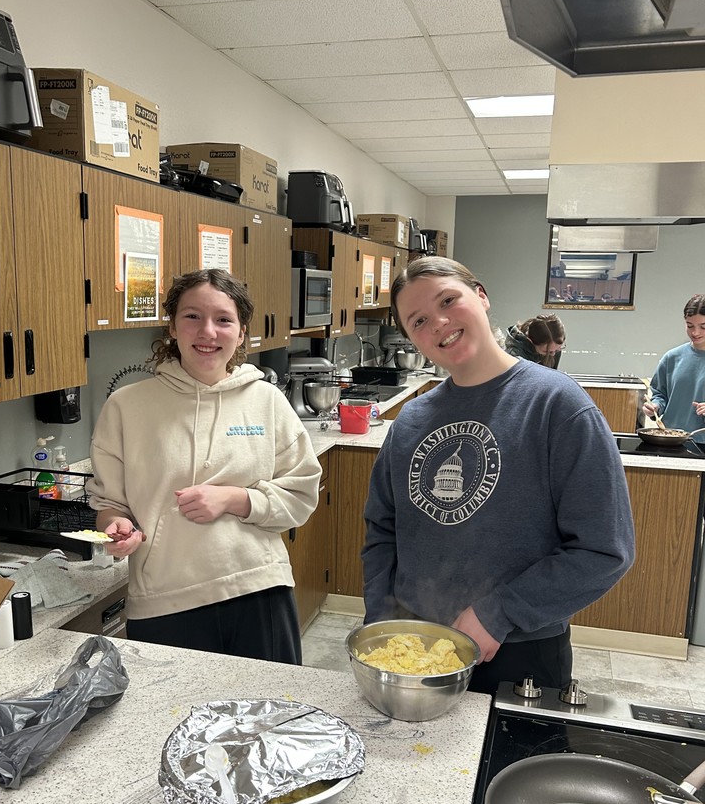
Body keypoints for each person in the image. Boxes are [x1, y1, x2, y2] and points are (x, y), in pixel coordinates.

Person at [362, 256, 635, 695]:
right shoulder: (411, 421)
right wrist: (381, 621)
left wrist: (498, 613)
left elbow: (605, 550)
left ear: (482, 296)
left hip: (518, 649)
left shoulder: (557, 406)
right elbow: (382, 530)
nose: (439, 322)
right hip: (414, 647)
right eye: (418, 320)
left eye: (449, 300)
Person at [87, 268, 322, 664]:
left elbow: (302, 495)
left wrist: (236, 499)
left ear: (242, 332)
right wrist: (115, 528)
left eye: (223, 320)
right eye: (192, 316)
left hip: (258, 590)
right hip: (164, 600)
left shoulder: (267, 401)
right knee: (167, 721)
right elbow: (109, 505)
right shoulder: (126, 406)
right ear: (173, 327)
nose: (207, 332)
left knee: (266, 719)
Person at [643, 294, 705, 431]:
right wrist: (655, 407)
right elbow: (659, 394)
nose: (696, 332)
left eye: (703, 327)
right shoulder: (672, 357)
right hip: (671, 438)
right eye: (690, 326)